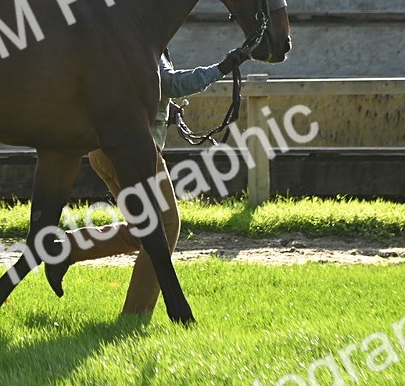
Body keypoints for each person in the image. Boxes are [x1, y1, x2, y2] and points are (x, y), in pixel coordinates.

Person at [46, 45, 252, 316]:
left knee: (141, 231)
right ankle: (135, 315)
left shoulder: (117, 36)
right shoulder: (148, 39)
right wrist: (221, 69)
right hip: (133, 152)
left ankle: (65, 249)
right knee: (165, 228)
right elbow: (170, 83)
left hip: (101, 150)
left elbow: (135, 90)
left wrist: (164, 110)